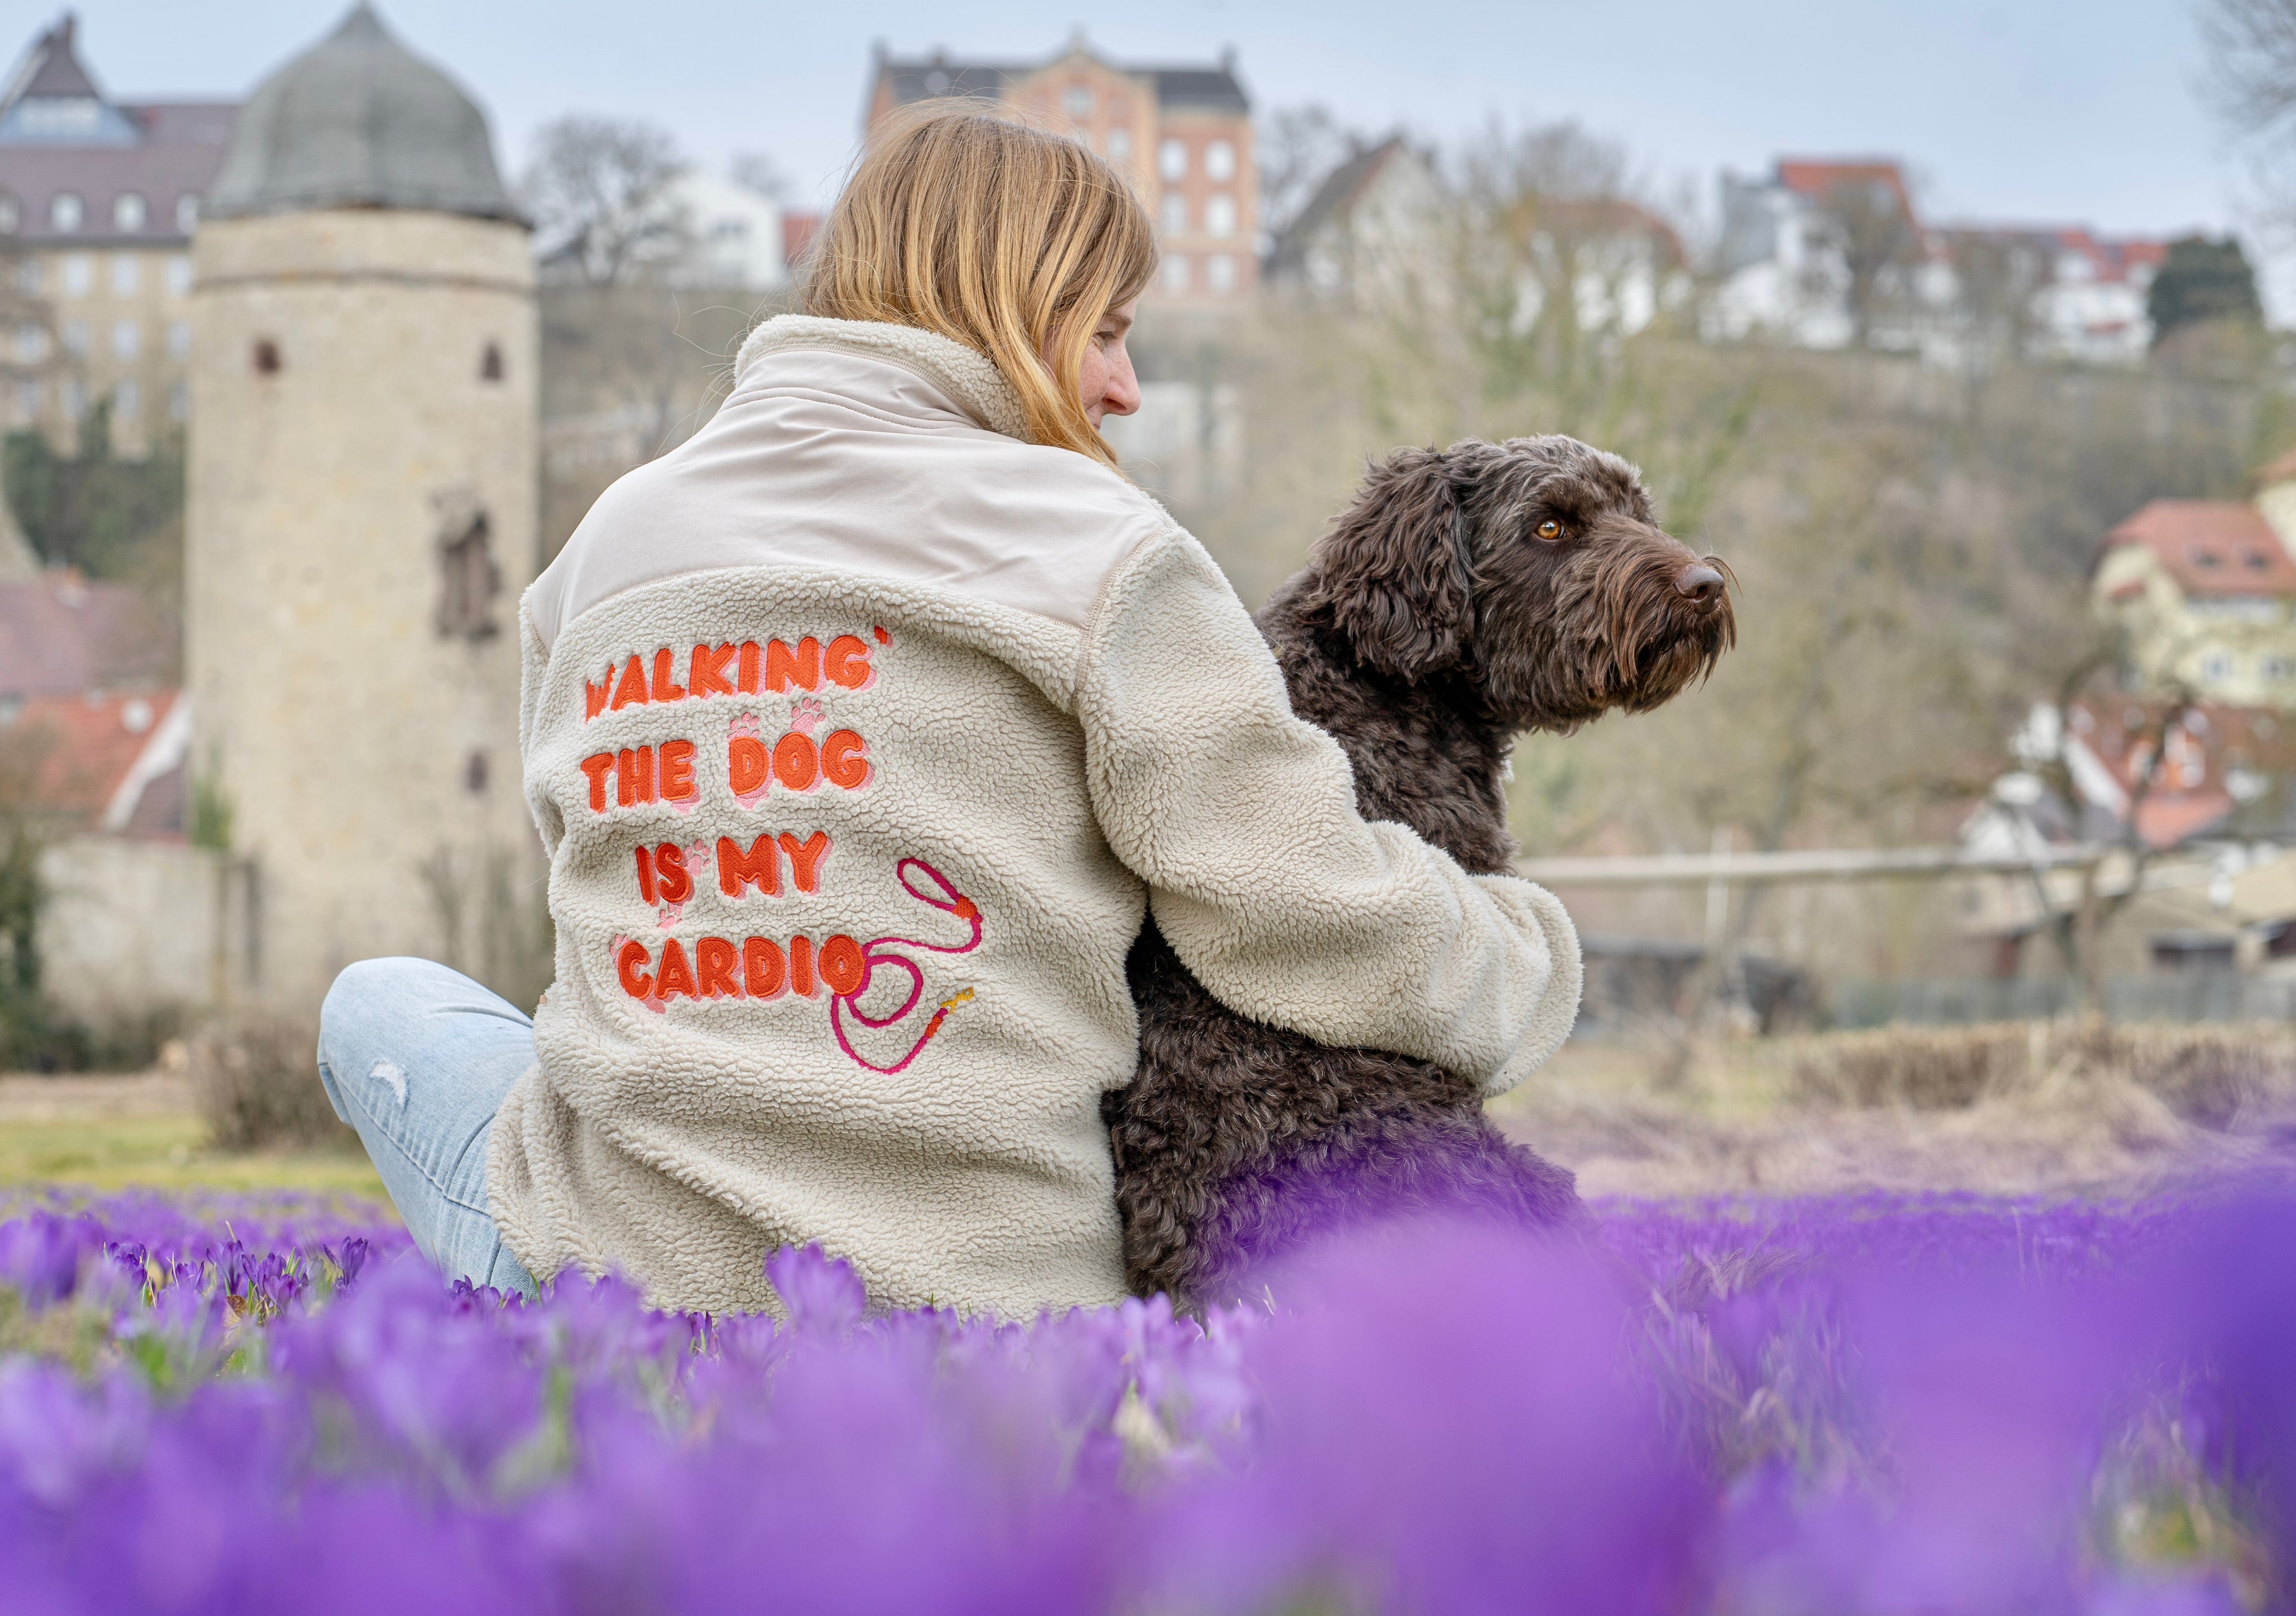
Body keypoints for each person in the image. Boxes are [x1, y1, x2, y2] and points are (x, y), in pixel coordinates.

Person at [315, 104, 1583, 1315]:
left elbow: (596, 895)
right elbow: (1304, 913)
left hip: (611, 1284)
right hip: (996, 1302)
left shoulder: (602, 549)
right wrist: (1529, 949)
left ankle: (533, 1294)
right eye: (1106, 331)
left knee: (378, 1001)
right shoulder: (1104, 547)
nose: (1127, 387)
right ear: (1011, 306)